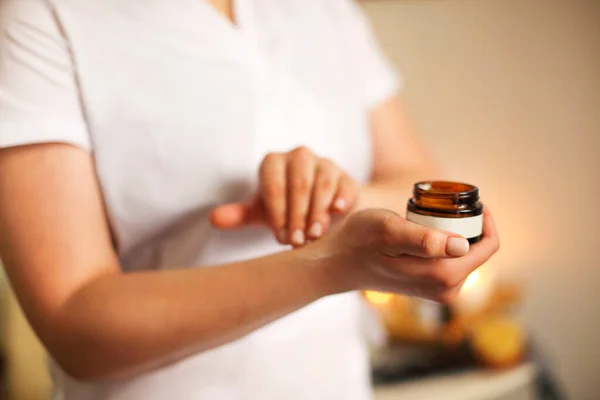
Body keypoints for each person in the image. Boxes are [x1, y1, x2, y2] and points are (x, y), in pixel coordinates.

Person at [0, 0, 500, 399]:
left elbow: (419, 180)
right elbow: (75, 324)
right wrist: (330, 264)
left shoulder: (327, 11)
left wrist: (335, 197)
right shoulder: (40, 16)